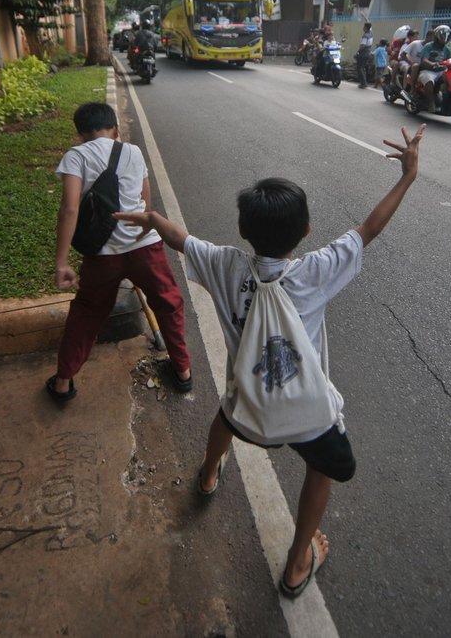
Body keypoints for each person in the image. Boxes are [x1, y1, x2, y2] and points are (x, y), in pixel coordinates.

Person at [115, 123, 426, 599]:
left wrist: (154, 219)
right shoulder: (316, 272)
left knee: (227, 414)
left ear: (243, 231)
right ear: (305, 230)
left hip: (250, 408)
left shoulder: (226, 264)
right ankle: (299, 560)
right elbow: (369, 229)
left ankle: (208, 472)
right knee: (325, 466)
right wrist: (406, 177)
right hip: (305, 417)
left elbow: (183, 240)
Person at [46, 102, 192, 402]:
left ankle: (63, 382)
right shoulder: (133, 151)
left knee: (87, 313)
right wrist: (141, 231)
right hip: (145, 247)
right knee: (168, 304)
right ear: (115, 129)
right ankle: (183, 372)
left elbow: (70, 208)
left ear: (80, 134)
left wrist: (61, 261)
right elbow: (145, 200)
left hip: (102, 255)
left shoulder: (76, 156)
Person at [418, 25, 451, 112]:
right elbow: (424, 59)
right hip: (428, 70)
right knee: (429, 80)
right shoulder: (428, 46)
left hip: (441, 71)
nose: (445, 38)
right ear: (437, 36)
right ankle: (431, 102)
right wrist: (432, 63)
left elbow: (450, 61)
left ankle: (449, 100)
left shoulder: (447, 50)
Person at [406, 30, 434, 96]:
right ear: (428, 37)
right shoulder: (415, 44)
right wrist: (411, 63)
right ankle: (412, 88)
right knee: (416, 66)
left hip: (424, 67)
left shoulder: (432, 48)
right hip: (413, 67)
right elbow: (404, 54)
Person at [356, 21, 373, 88]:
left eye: (364, 26)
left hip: (363, 53)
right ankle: (364, 82)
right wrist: (365, 17)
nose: (363, 28)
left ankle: (363, 83)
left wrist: (357, 52)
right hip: (368, 52)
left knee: (360, 68)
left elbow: (362, 46)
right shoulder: (371, 33)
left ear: (365, 27)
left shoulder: (365, 36)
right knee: (363, 68)